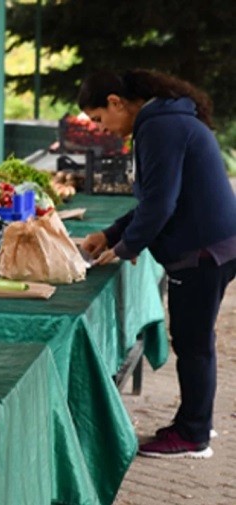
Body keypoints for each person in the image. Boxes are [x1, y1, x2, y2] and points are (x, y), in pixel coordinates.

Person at [78, 69, 236, 459]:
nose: (101, 129)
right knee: (195, 340)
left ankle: (193, 434)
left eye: (99, 118)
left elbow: (162, 204)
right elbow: (157, 200)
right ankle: (195, 421)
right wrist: (114, 234)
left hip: (202, 252)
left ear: (116, 101)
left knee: (193, 342)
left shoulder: (158, 128)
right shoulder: (165, 119)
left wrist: (127, 246)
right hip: (215, 246)